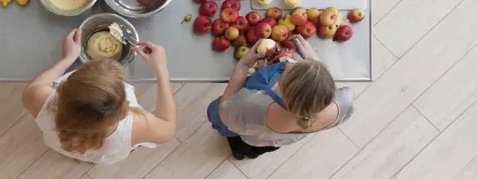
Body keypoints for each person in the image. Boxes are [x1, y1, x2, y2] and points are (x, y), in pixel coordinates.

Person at [22, 29, 176, 164]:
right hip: (104, 153)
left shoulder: (40, 99)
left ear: (63, 88)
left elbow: (34, 87)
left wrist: (68, 59)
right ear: (123, 108)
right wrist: (162, 71)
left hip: (61, 143)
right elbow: (168, 128)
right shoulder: (135, 126)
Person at [207, 38, 354, 160]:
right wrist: (315, 62)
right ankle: (251, 154)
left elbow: (224, 113)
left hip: (250, 136)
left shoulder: (253, 105)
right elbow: (319, 88)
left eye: (284, 72)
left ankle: (239, 150)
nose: (287, 65)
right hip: (278, 142)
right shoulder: (344, 102)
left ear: (282, 90)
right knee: (261, 149)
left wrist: (243, 65)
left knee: (226, 125)